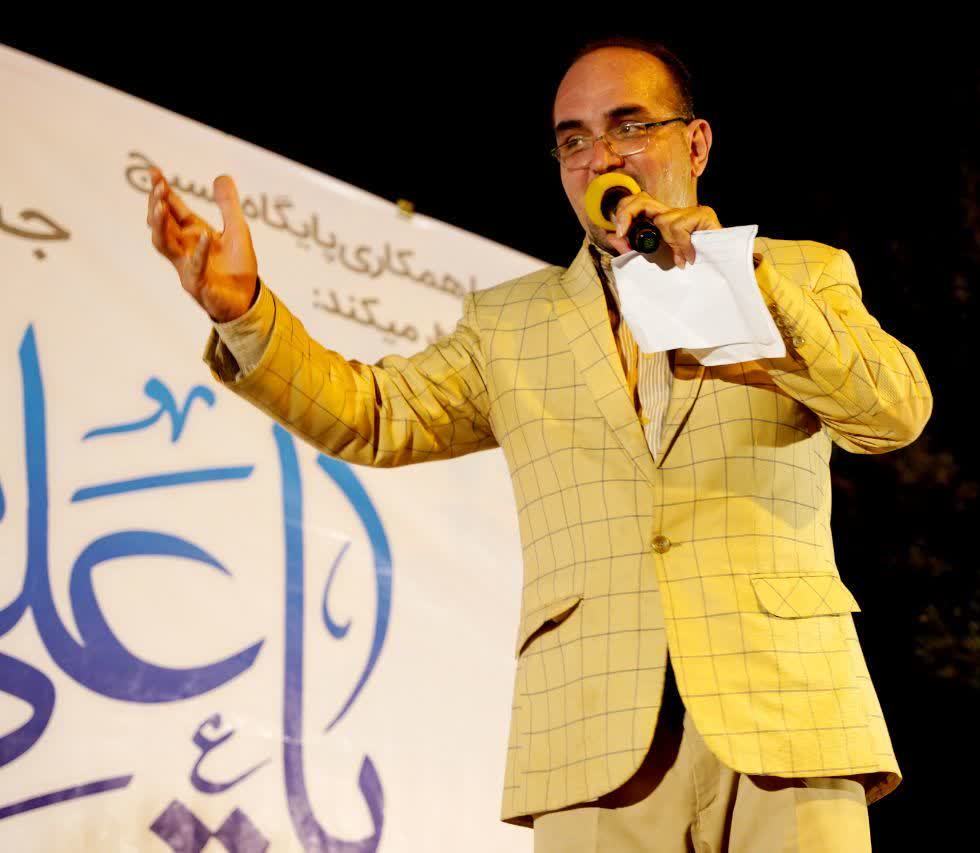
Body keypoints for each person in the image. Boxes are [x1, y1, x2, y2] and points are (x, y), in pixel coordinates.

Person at [146, 36, 932, 853]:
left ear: (696, 144)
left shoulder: (795, 276)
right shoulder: (511, 324)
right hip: (594, 742)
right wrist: (244, 311)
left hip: (789, 717)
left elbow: (893, 413)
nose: (602, 157)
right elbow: (373, 414)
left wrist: (740, 280)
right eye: (575, 139)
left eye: (630, 127)